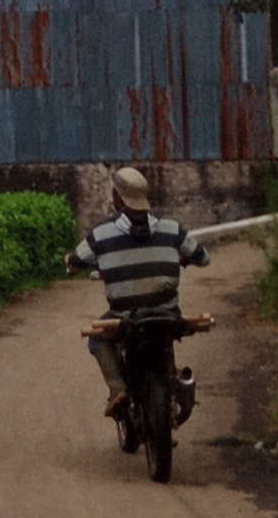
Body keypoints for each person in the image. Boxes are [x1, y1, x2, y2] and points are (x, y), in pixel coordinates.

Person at [73, 165, 206, 440]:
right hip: (167, 313)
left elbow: (74, 262)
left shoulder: (101, 234)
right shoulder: (173, 230)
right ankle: (176, 385)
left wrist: (82, 264)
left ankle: (117, 388)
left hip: (125, 317)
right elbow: (203, 258)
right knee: (166, 337)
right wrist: (183, 259)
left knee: (97, 339)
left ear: (116, 197)